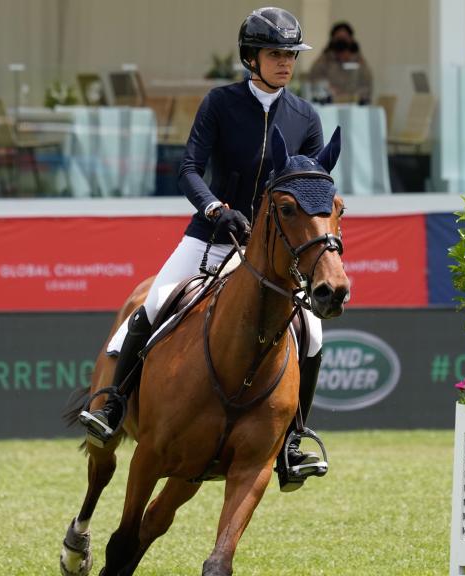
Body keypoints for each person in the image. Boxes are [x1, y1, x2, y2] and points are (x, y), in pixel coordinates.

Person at [79, 7, 330, 491]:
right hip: (209, 237)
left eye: (291, 55)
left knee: (313, 332)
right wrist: (216, 208)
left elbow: (314, 189)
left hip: (268, 253)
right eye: (276, 54)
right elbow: (188, 167)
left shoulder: (305, 117)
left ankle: (294, 441)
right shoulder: (220, 104)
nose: (285, 63)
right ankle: (111, 405)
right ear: (251, 58)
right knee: (152, 304)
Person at [307, 21, 373, 104]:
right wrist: (328, 89)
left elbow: (366, 86)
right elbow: (314, 81)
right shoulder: (323, 61)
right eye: (339, 39)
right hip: (330, 106)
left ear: (351, 41)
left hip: (353, 107)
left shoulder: (360, 63)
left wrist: (351, 96)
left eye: (345, 39)